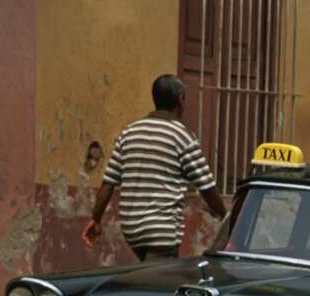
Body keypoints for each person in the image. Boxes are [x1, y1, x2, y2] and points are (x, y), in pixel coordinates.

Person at [82, 74, 228, 261]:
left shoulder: (129, 133)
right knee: (157, 285)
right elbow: (206, 186)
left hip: (132, 231)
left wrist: (95, 219)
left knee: (149, 277)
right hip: (162, 232)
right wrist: (226, 218)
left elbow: (108, 184)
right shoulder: (182, 136)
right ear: (180, 101)